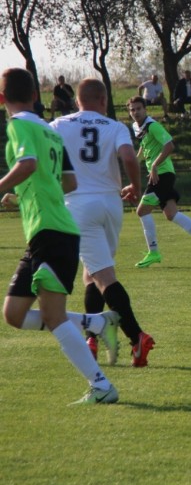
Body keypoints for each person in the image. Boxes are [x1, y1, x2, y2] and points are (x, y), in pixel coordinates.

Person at [0, 67, 120, 404]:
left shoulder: (18, 125)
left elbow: (27, 164)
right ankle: (95, 323)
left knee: (53, 316)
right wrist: (24, 196)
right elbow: (69, 182)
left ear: (1, 98)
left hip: (52, 233)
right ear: (35, 96)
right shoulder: (49, 131)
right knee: (13, 314)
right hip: (49, 231)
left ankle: (101, 386)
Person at [51, 79, 155, 368]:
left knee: (103, 276)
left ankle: (136, 336)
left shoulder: (58, 125)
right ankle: (92, 337)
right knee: (94, 272)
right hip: (111, 203)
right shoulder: (115, 126)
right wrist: (135, 186)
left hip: (78, 204)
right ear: (104, 100)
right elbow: (128, 157)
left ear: (77, 101)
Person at [127, 96, 191, 268]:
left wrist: (154, 165)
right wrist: (135, 161)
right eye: (132, 110)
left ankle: (153, 252)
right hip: (161, 174)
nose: (136, 112)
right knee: (171, 214)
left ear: (145, 109)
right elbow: (145, 146)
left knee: (142, 211)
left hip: (162, 174)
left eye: (139, 108)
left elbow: (169, 145)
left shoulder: (152, 125)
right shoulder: (138, 127)